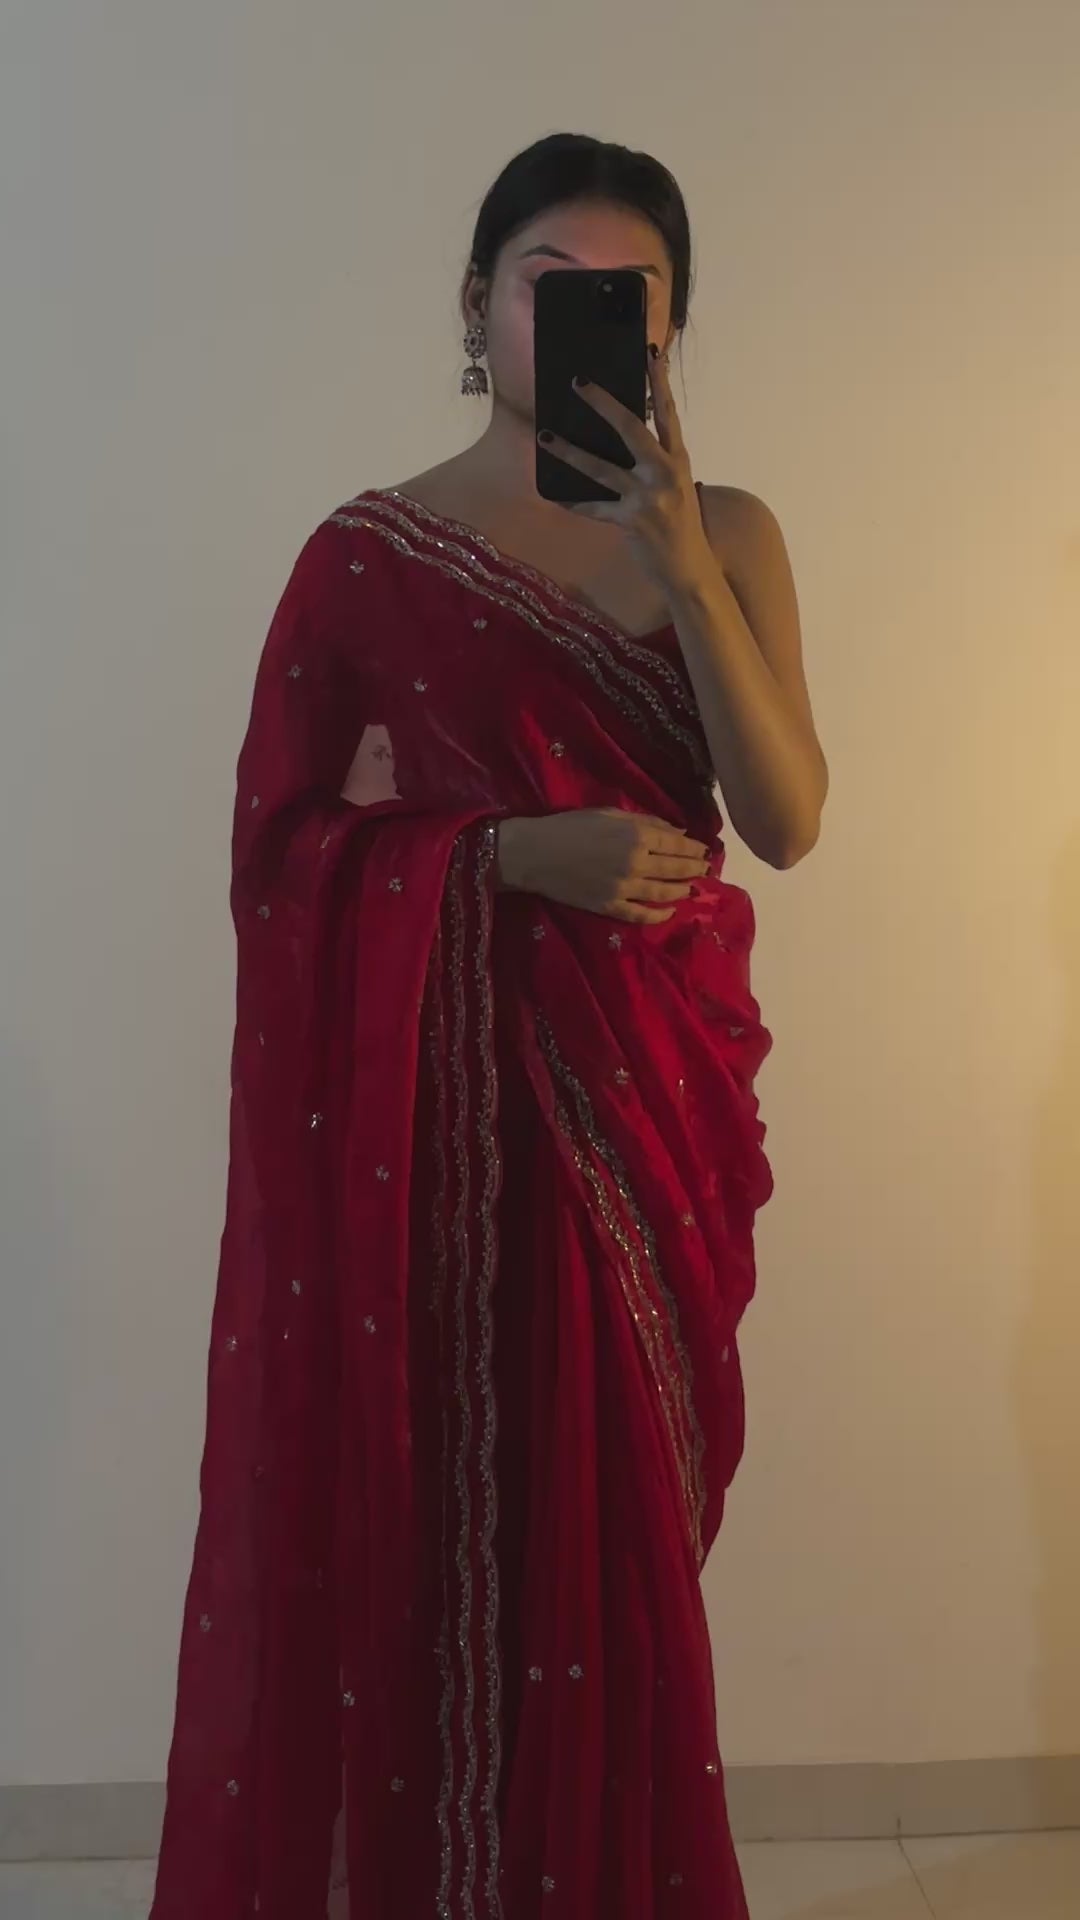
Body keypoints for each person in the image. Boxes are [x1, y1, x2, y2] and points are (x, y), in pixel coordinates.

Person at [150, 132, 827, 1920]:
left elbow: (787, 817)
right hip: (444, 1138)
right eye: (548, 282)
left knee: (616, 1548)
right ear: (477, 303)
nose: (588, 318)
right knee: (447, 1526)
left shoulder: (732, 532)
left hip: (651, 1102)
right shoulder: (367, 558)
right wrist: (510, 856)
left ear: (671, 325)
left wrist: (682, 562)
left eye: (631, 296)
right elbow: (283, 855)